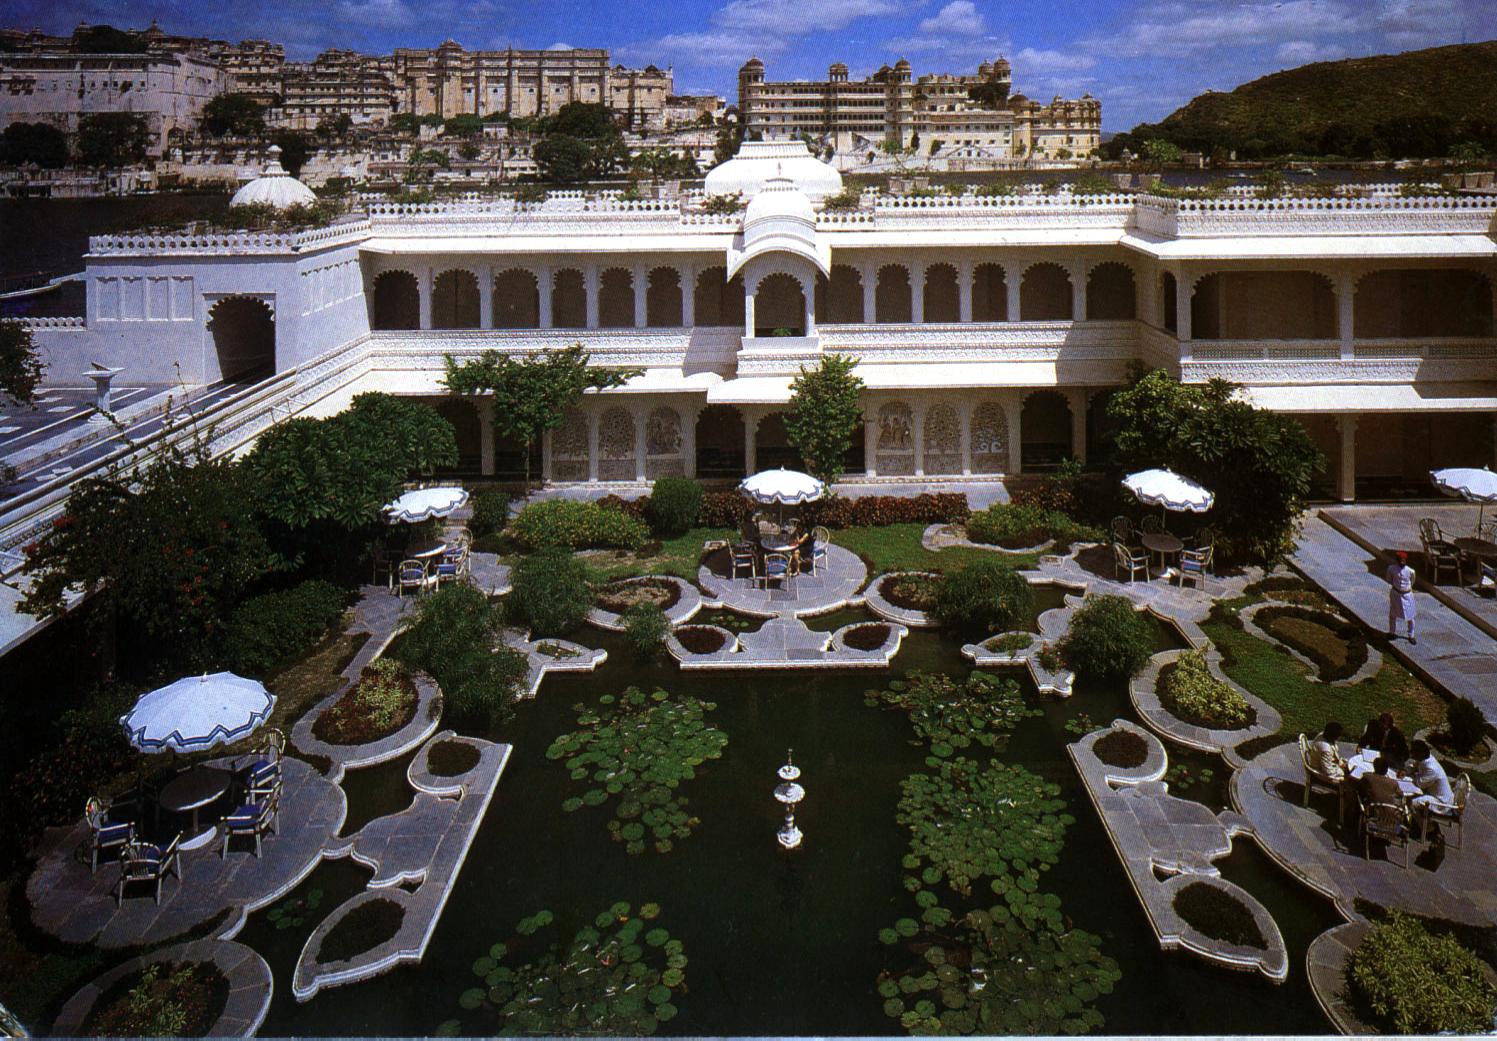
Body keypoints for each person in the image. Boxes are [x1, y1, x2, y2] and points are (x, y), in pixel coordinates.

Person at [1405, 740, 1453, 840]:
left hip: (1440, 801)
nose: (1412, 755)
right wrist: (1408, 771)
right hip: (1433, 793)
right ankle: (1416, 820)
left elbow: (1419, 783)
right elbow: (1415, 766)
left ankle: (1428, 830)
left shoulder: (1431, 768)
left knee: (1412, 802)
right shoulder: (1425, 759)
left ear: (1419, 755)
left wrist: (1413, 775)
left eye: (1413, 753)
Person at [1309, 722, 1355, 820]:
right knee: (1351, 784)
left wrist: (1341, 764)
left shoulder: (1322, 735)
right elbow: (1328, 771)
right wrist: (1343, 771)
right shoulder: (1325, 749)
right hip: (1321, 772)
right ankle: (1346, 811)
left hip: (1328, 765)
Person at [1386, 550, 1417, 644]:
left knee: (1410, 616)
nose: (1402, 562)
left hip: (1407, 595)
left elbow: (1412, 581)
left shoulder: (1411, 571)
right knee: (1393, 614)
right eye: (1400, 560)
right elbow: (1389, 579)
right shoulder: (1391, 569)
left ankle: (1411, 635)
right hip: (1396, 594)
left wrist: (1406, 589)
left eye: (1403, 560)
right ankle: (1392, 632)